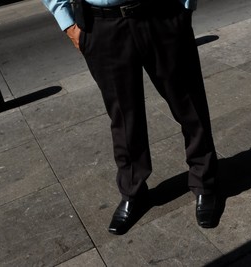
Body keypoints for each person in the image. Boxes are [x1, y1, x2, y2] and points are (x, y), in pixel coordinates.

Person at [42, 0, 219, 235]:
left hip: (163, 15)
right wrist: (67, 22)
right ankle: (133, 191)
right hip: (102, 23)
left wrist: (186, 4)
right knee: (123, 116)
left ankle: (205, 182)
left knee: (189, 105)